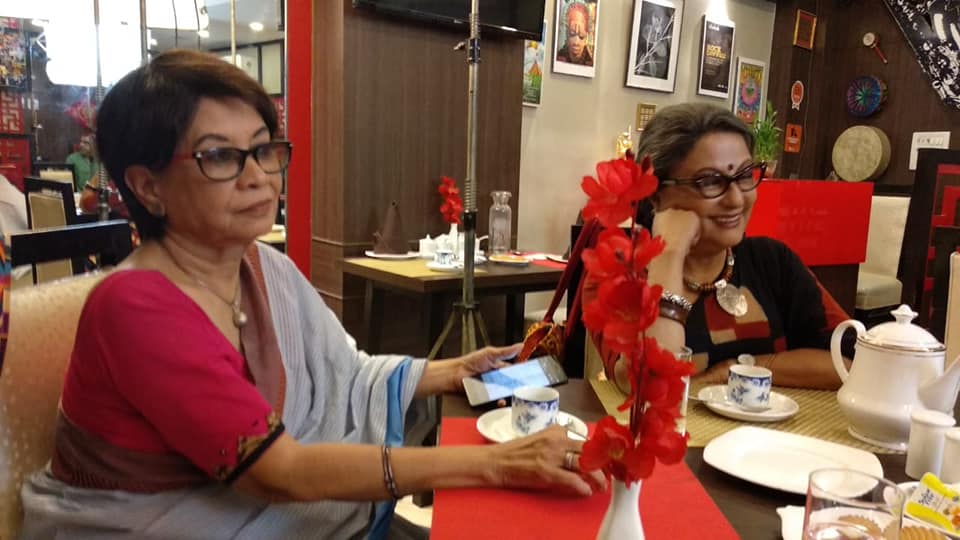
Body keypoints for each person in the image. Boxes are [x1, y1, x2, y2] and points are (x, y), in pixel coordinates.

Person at [21, 50, 604, 539]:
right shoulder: (136, 309)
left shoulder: (262, 265)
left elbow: (346, 372)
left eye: (263, 149)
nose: (259, 176)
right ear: (148, 187)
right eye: (220, 156)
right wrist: (495, 464)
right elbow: (283, 473)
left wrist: (452, 372)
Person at [610, 103, 849, 392]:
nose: (736, 200)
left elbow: (851, 363)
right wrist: (669, 254)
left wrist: (738, 369)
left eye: (745, 175)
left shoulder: (772, 261)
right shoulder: (619, 271)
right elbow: (649, 387)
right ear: (656, 194)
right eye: (710, 181)